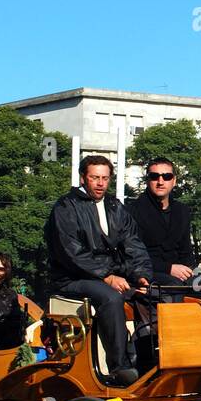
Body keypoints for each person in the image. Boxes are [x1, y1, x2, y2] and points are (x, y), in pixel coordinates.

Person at [44, 154, 153, 387]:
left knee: (154, 293)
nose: (100, 183)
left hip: (110, 275)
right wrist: (107, 276)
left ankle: (149, 359)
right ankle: (119, 367)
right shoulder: (65, 207)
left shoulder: (115, 206)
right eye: (95, 178)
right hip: (71, 277)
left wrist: (142, 275)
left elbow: (133, 244)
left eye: (105, 178)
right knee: (110, 298)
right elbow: (70, 251)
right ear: (83, 178)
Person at [125, 158, 196, 290]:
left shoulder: (182, 211)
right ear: (147, 180)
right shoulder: (132, 211)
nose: (160, 182)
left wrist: (191, 271)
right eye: (154, 176)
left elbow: (186, 252)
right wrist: (169, 269)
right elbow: (131, 255)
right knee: (175, 287)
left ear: (174, 181)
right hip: (148, 273)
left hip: (181, 272)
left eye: (167, 176)